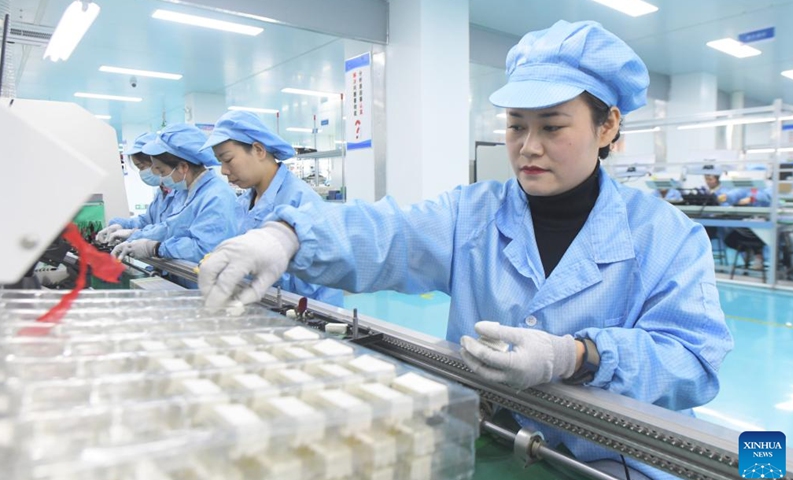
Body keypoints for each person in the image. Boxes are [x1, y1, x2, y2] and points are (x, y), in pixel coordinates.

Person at [198, 20, 733, 480]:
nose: (528, 146)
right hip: (484, 436)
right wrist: (288, 235)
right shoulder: (472, 213)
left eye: (552, 126)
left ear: (607, 125)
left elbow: (694, 360)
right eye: (516, 126)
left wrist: (577, 356)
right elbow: (391, 234)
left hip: (604, 462)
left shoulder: (667, 236)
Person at [199, 110, 343, 306]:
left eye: (228, 159)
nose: (224, 170)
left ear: (258, 150)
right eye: (220, 163)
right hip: (261, 307)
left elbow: (313, 281)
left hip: (304, 315)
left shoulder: (300, 201)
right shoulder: (243, 203)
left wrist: (251, 267)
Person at [111, 124, 239, 263]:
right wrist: (134, 235)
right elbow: (168, 228)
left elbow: (205, 249)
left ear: (183, 167)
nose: (161, 178)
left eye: (162, 171)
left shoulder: (217, 197)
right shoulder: (184, 193)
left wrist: (156, 248)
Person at [95, 132, 185, 245]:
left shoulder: (181, 192)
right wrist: (121, 225)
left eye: (142, 167)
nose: (142, 172)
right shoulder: (163, 191)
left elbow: (168, 230)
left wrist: (134, 234)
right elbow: (147, 220)